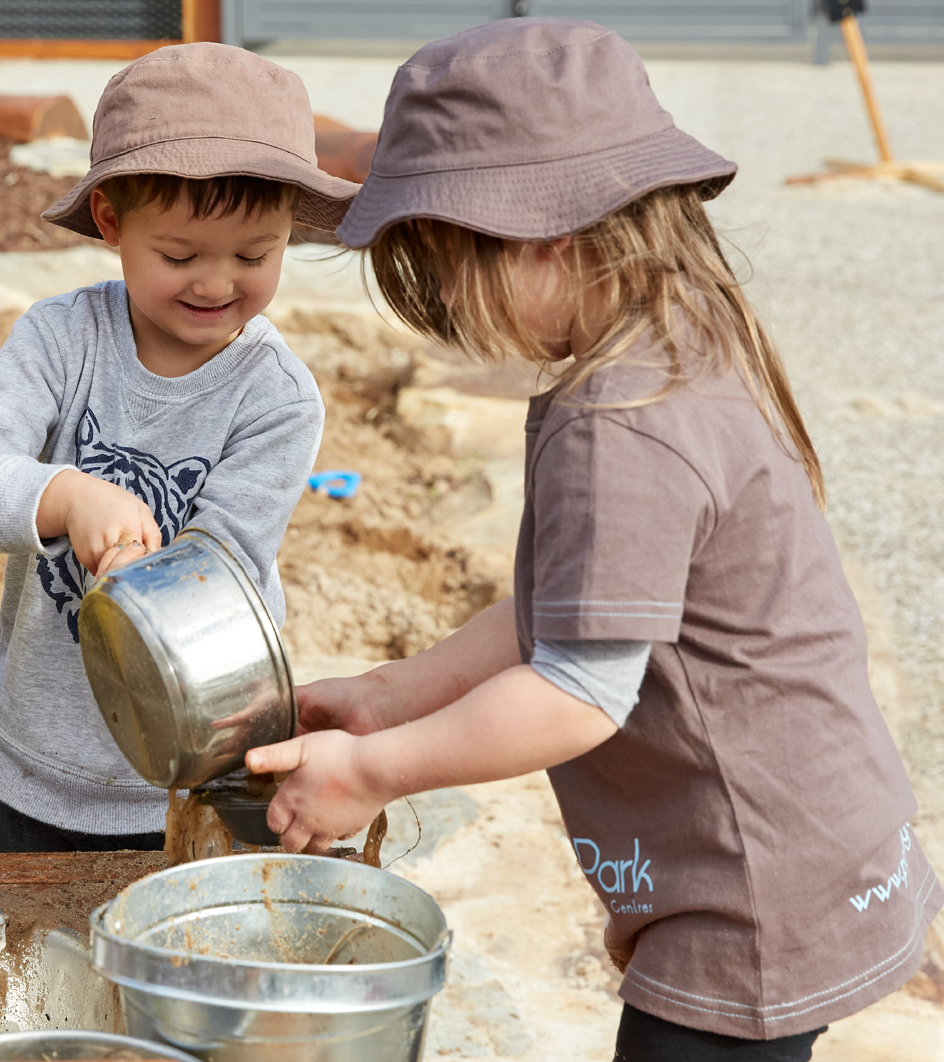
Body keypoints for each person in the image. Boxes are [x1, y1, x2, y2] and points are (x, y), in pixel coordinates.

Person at [248, 19, 940, 1061]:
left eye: (445, 266)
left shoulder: (617, 423)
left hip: (743, 892)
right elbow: (574, 601)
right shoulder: (683, 332)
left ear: (544, 235)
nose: (444, 308)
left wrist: (377, 770)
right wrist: (400, 690)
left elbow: (575, 688)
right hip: (816, 834)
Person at [0, 43, 357, 853]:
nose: (216, 283)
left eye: (254, 256)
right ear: (111, 222)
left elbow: (226, 562)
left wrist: (147, 577)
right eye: (180, 255)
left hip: (199, 766)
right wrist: (64, 495)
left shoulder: (275, 396)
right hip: (40, 771)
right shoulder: (62, 341)